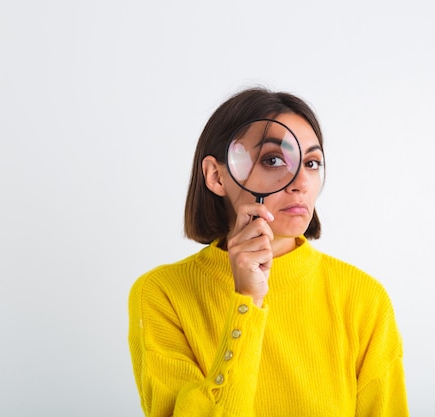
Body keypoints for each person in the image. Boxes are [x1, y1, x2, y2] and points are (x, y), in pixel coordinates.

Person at [128, 87, 409, 416]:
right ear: (217, 176)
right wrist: (247, 300)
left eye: (313, 163)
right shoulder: (162, 294)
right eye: (274, 160)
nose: (301, 181)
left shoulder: (363, 298)